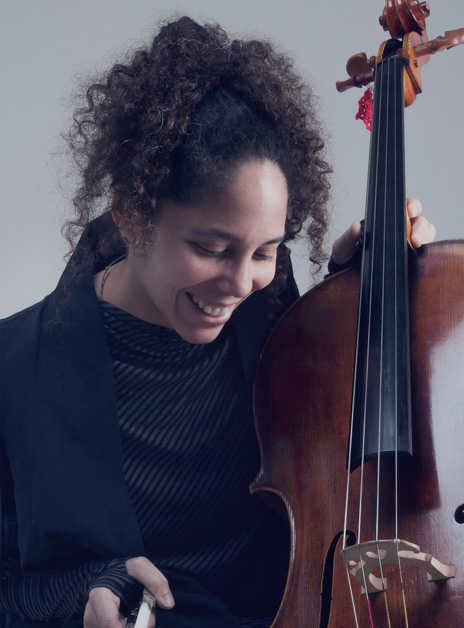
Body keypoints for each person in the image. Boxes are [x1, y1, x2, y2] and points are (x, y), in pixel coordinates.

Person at [0, 16, 436, 628]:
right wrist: (80, 592)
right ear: (131, 210)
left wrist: (369, 291)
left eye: (264, 251)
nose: (239, 284)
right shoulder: (13, 369)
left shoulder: (283, 321)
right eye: (210, 248)